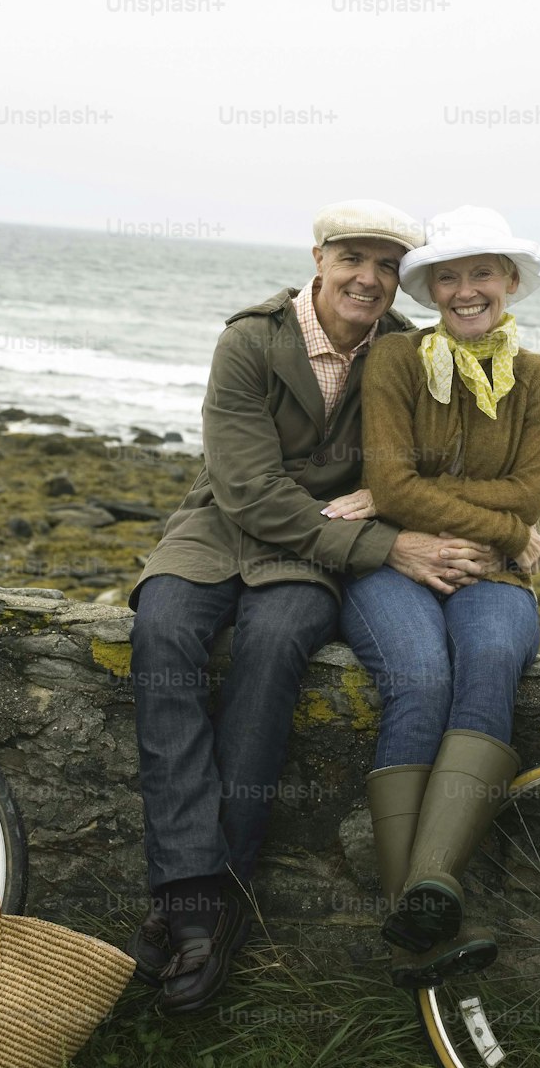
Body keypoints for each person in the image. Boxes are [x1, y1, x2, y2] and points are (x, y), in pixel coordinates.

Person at [125, 199, 501, 1013]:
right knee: (160, 630)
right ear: (319, 258)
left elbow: (434, 456)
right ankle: (198, 888)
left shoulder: (409, 351)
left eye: (386, 265)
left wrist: (390, 497)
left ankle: (203, 902)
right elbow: (249, 489)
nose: (368, 278)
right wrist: (385, 545)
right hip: (223, 530)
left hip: (313, 555)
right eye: (352, 259)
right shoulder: (251, 339)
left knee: (274, 648)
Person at [337, 205, 540, 986]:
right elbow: (389, 482)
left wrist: (489, 523)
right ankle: (416, 904)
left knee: (494, 652)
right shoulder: (398, 361)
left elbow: (529, 498)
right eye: (450, 276)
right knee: (419, 675)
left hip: (494, 572)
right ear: (431, 288)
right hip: (390, 564)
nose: (466, 290)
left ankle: (431, 881)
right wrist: (490, 519)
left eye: (482, 273)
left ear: (509, 283)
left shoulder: (538, 379)